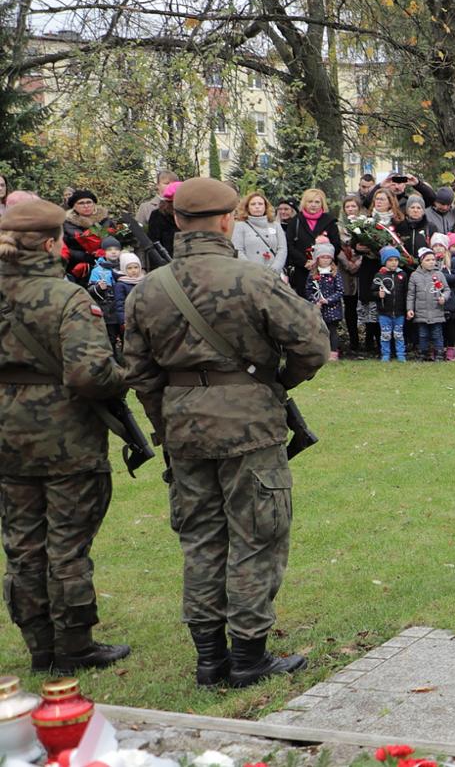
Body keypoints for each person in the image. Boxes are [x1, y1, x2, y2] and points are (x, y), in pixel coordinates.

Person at [122, 177, 328, 688]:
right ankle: (249, 656)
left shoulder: (148, 289)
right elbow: (312, 344)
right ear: (225, 220)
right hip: (250, 426)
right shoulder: (252, 279)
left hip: (184, 429)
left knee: (201, 542)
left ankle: (210, 659)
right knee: (257, 536)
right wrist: (278, 384)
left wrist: (165, 422)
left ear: (176, 223)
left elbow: (140, 373)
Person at [0, 199, 133, 676]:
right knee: (67, 544)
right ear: (55, 242)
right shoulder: (66, 296)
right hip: (65, 436)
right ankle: (74, 645)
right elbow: (88, 374)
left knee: (22, 543)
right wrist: (124, 375)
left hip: (6, 438)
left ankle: (40, 647)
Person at [286, 189, 338, 299]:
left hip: (324, 270)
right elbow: (289, 245)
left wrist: (320, 261)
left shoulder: (330, 221)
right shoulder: (295, 221)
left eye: (317, 202)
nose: (313, 205)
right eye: (310, 202)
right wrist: (304, 262)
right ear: (304, 203)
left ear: (322, 203)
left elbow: (336, 245)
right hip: (302, 270)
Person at [406, 245, 450, 362]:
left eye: (433, 260)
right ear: (421, 262)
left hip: (436, 310)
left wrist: (444, 298)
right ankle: (423, 353)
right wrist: (409, 309)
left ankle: (439, 354)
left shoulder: (439, 275)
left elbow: (446, 290)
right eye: (427, 260)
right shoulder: (414, 276)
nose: (431, 262)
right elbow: (411, 294)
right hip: (421, 312)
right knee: (423, 334)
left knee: (437, 334)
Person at [232, 192, 288, 274]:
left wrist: (275, 268)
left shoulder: (275, 225)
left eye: (260, 204)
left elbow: (282, 249)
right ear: (247, 207)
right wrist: (252, 270)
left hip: (274, 274)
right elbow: (238, 250)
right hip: (251, 273)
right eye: (253, 204)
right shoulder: (240, 226)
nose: (257, 206)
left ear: (265, 207)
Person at [308, 238, 345, 360]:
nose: (325, 260)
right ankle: (320, 352)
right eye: (323, 257)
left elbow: (340, 291)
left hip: (333, 308)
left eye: (328, 257)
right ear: (317, 258)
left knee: (332, 330)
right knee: (318, 331)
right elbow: (309, 290)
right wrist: (315, 301)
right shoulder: (313, 274)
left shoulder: (335, 273)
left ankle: (333, 353)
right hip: (318, 308)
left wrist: (328, 300)